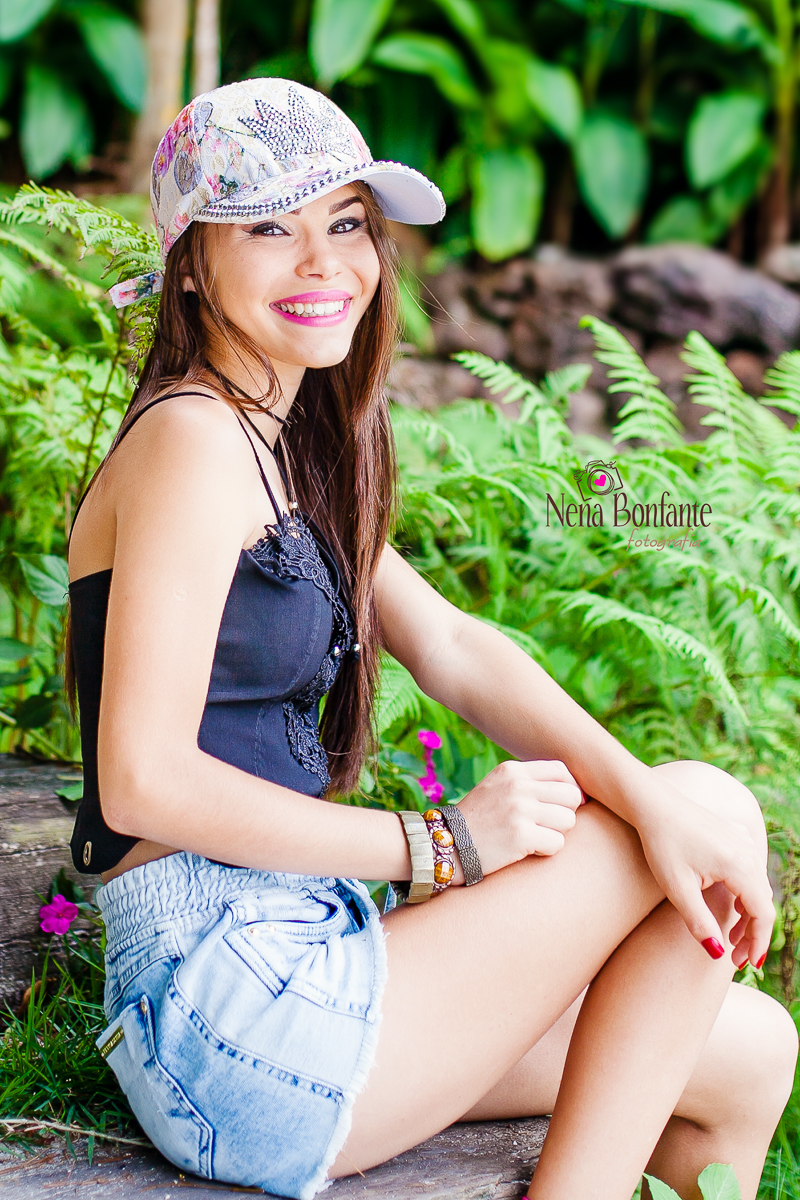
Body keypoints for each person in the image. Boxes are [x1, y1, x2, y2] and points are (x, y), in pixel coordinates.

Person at [66, 77, 796, 1200]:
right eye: (268, 228)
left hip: (292, 957)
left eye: (347, 223)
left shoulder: (282, 447)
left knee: (749, 1057)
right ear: (191, 263)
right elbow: (142, 780)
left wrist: (644, 802)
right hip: (226, 997)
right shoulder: (192, 443)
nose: (324, 263)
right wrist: (440, 844)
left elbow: (453, 647)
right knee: (714, 805)